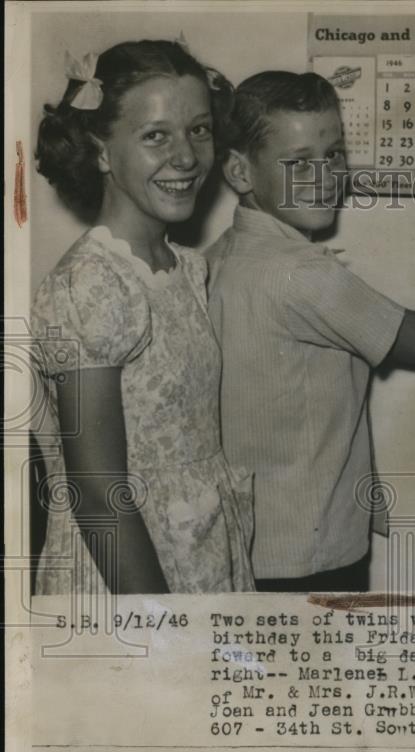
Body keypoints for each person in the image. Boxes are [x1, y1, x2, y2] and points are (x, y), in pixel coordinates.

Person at [207, 71, 415, 593]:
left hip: (247, 551)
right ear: (239, 171)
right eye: (299, 162)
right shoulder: (299, 273)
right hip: (309, 558)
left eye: (334, 155)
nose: (324, 177)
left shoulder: (221, 257)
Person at [32, 40, 254, 593]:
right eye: (156, 135)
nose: (185, 157)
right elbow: (97, 493)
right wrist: (160, 631)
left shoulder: (186, 268)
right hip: (129, 579)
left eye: (199, 130)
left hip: (197, 555)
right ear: (101, 150)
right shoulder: (91, 283)